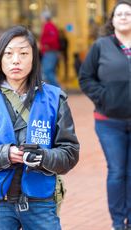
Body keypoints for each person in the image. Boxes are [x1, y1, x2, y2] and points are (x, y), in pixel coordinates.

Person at [0, 25, 79, 230]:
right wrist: (6, 154)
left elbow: (70, 153)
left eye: (23, 53)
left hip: (40, 201)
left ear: (34, 58)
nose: (16, 60)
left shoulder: (54, 98)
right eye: (9, 54)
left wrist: (43, 158)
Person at [79, 1, 131, 229]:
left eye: (128, 13)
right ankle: (118, 222)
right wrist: (104, 97)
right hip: (109, 122)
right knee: (118, 171)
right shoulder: (101, 45)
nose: (124, 17)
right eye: (119, 13)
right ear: (112, 19)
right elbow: (85, 78)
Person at [40, 10, 60, 87]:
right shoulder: (49, 25)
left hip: (50, 52)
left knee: (47, 71)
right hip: (50, 52)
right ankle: (55, 90)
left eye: (41, 17)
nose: (41, 19)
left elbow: (53, 38)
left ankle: (58, 91)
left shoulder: (48, 26)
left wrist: (45, 44)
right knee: (48, 71)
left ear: (45, 18)